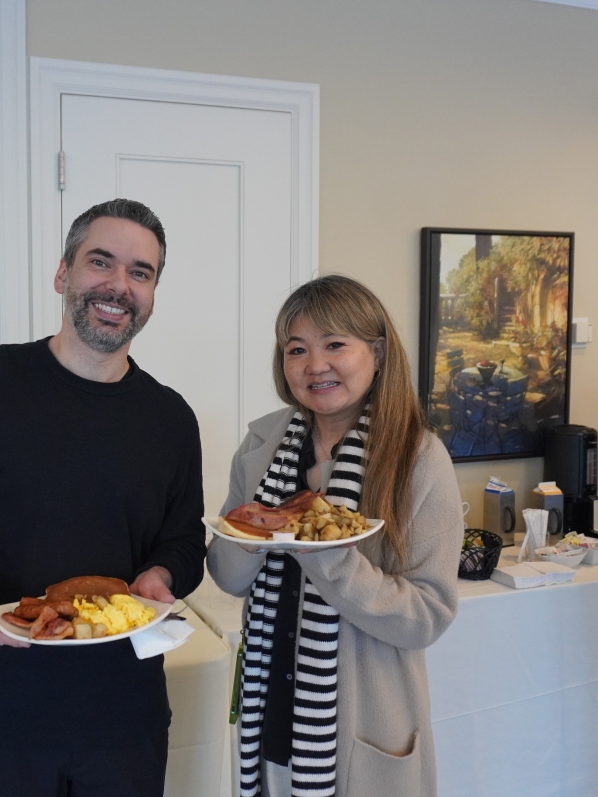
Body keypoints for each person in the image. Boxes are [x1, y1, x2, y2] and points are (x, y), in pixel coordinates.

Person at [0, 199, 205, 797]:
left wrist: (163, 573)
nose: (119, 285)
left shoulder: (169, 418)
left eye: (140, 272)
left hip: (123, 718)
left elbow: (184, 537)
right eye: (101, 262)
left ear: (153, 291)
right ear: (64, 274)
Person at [207, 275, 462, 797]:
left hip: (361, 719)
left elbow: (427, 616)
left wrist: (322, 553)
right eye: (296, 349)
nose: (314, 364)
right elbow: (228, 577)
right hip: (269, 709)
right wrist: (252, 535)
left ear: (378, 351)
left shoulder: (417, 457)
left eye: (335, 345)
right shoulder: (262, 443)